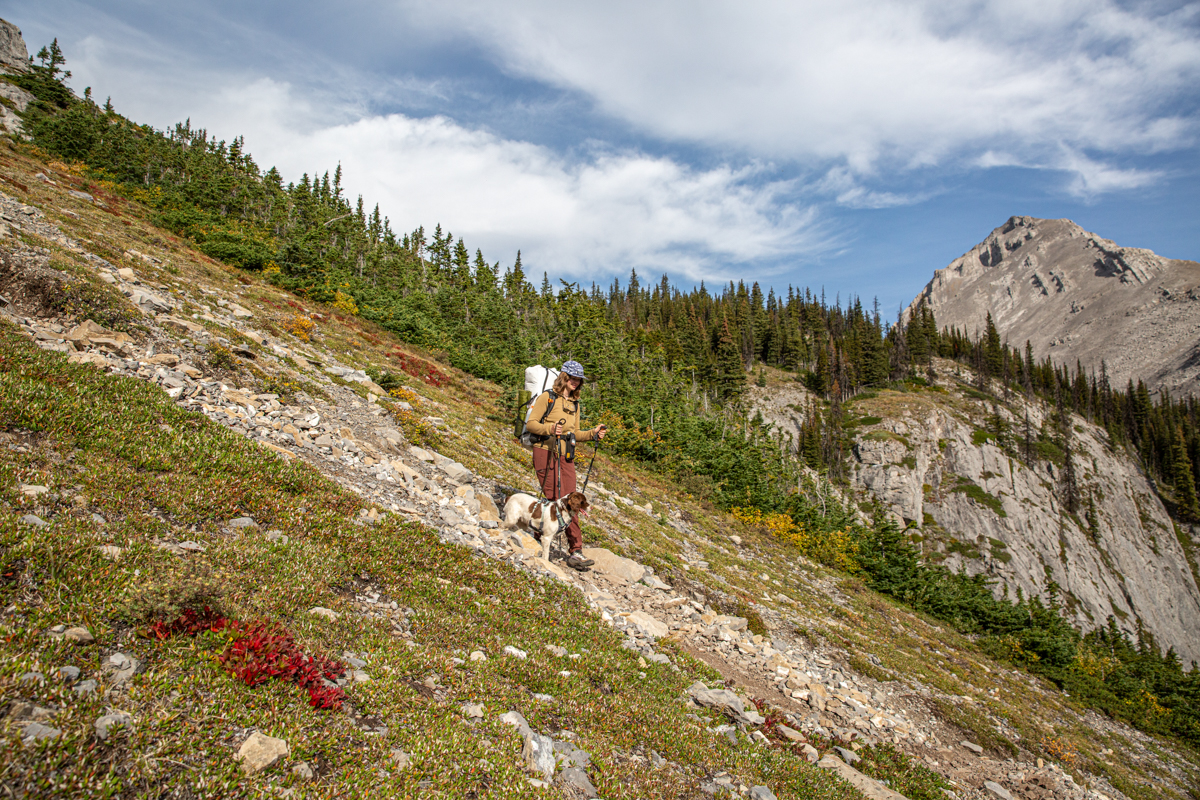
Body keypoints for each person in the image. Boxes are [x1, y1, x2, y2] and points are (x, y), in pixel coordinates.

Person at [525, 360, 607, 570]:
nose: (576, 382)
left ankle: (576, 551)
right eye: (573, 378)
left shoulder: (574, 405)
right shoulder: (548, 398)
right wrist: (550, 428)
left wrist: (592, 434)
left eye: (579, 379)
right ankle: (539, 537)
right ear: (564, 377)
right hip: (545, 451)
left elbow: (575, 433)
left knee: (573, 501)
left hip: (566, 456)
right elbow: (532, 423)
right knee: (552, 496)